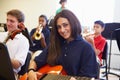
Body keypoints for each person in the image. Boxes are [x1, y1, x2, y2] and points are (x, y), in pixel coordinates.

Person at [27, 9, 98, 80]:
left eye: (65, 25)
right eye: (59, 27)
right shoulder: (55, 44)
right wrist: (31, 71)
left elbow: (88, 77)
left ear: (73, 23)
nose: (62, 30)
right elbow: (36, 61)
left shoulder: (86, 48)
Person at [5, 9, 30, 78]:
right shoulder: (1, 35)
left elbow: (17, 64)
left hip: (9, 75)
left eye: (12, 21)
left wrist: (3, 57)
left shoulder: (23, 41)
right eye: (7, 20)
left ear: (20, 24)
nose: (8, 23)